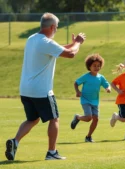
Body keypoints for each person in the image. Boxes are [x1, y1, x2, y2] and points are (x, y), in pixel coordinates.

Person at [5, 12, 86, 161]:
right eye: (57, 27)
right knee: (54, 118)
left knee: (32, 119)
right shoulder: (46, 42)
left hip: (25, 89)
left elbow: (59, 49)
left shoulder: (32, 39)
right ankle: (52, 152)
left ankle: (15, 141)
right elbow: (71, 54)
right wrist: (78, 42)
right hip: (41, 90)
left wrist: (73, 44)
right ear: (53, 27)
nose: (57, 30)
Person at [70, 54, 111, 142]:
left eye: (98, 66)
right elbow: (76, 83)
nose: (96, 67)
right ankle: (78, 117)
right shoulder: (86, 76)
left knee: (96, 119)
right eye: (94, 66)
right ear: (89, 66)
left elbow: (107, 85)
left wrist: (108, 88)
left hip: (95, 101)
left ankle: (88, 137)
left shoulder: (101, 77)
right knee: (89, 118)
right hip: (85, 100)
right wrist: (77, 91)